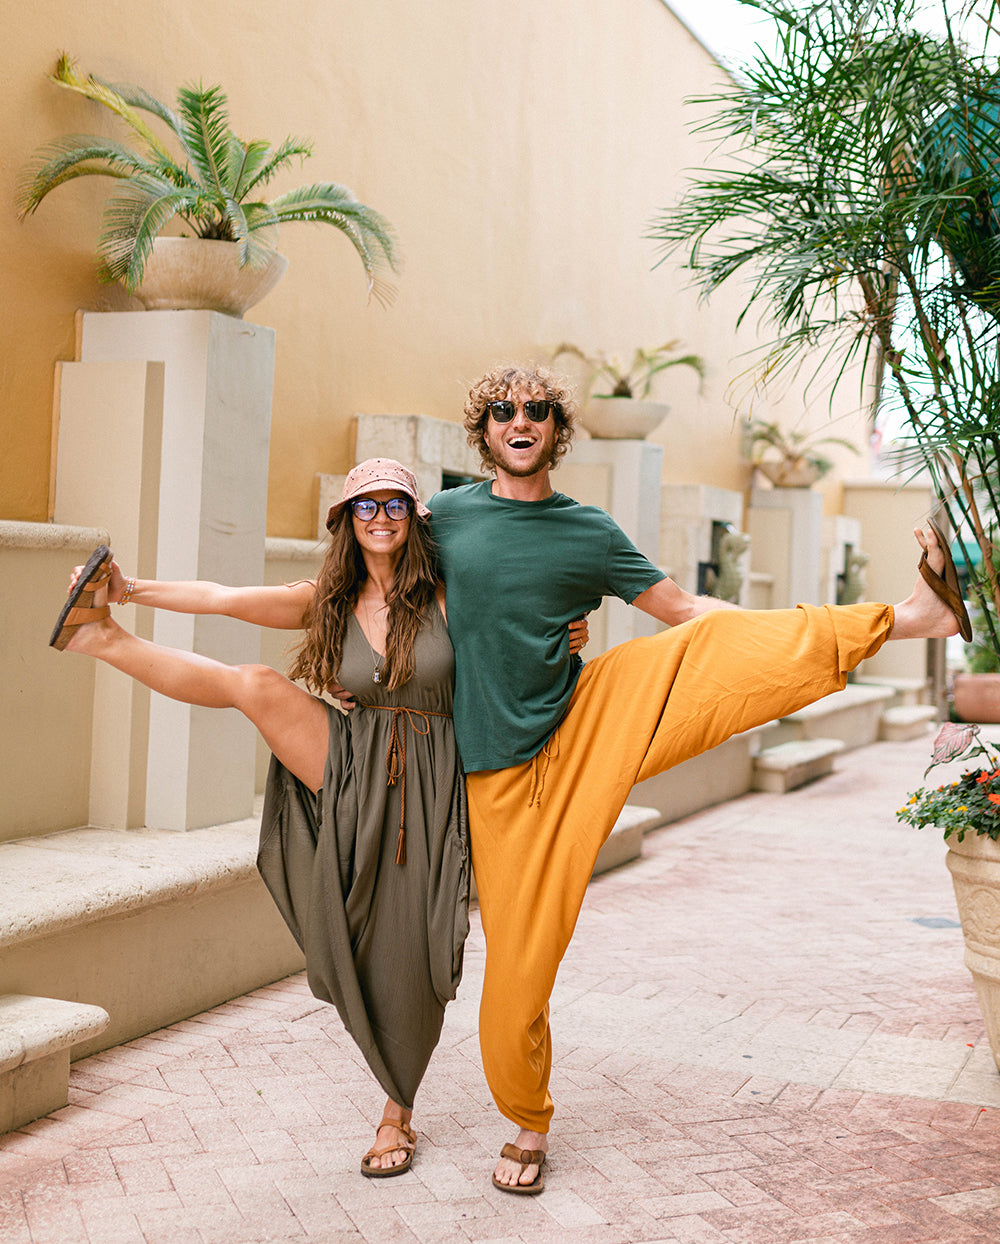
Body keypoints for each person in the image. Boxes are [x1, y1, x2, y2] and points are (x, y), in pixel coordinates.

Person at [427, 362, 972, 1194]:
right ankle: (528, 1111)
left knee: (709, 646)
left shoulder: (589, 531)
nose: (519, 420)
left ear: (557, 430)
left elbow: (683, 611)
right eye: (502, 410)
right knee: (518, 968)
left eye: (537, 410)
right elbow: (378, 600)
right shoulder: (445, 518)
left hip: (583, 723)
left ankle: (911, 618)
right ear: (485, 429)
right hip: (489, 774)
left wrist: (762, 632)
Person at [50, 459, 586, 1178]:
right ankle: (99, 636)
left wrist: (565, 631)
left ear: (414, 517)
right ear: (346, 521)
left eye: (394, 505)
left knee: (413, 950)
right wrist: (131, 588)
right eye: (365, 507)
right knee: (254, 684)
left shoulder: (451, 594)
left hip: (432, 781)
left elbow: (526, 617)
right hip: (355, 757)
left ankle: (401, 1105)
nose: (380, 518)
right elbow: (224, 598)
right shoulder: (328, 598)